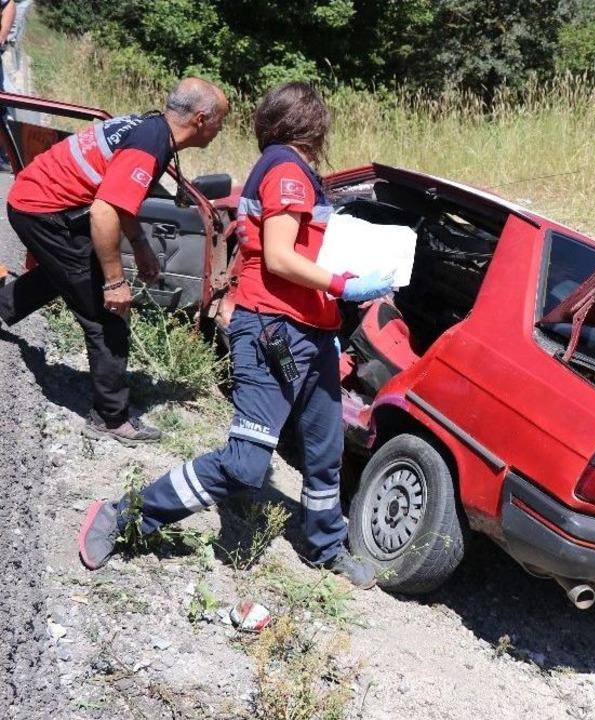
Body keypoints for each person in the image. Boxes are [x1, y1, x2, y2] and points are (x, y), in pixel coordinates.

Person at [77, 81, 393, 587]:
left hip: (309, 333)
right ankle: (125, 515)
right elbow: (280, 257)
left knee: (325, 449)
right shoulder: (289, 170)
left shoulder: (289, 169)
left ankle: (324, 545)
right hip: (274, 331)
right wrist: (344, 285)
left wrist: (330, 309)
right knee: (246, 465)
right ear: (311, 125)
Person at [0, 77, 229, 443]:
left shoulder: (151, 128)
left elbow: (120, 198)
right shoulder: (151, 143)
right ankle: (109, 419)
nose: (221, 130)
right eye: (221, 121)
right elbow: (104, 212)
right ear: (202, 119)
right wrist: (116, 282)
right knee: (107, 315)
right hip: (41, 210)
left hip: (36, 200)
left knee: (67, 275)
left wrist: (139, 245)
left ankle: (4, 305)